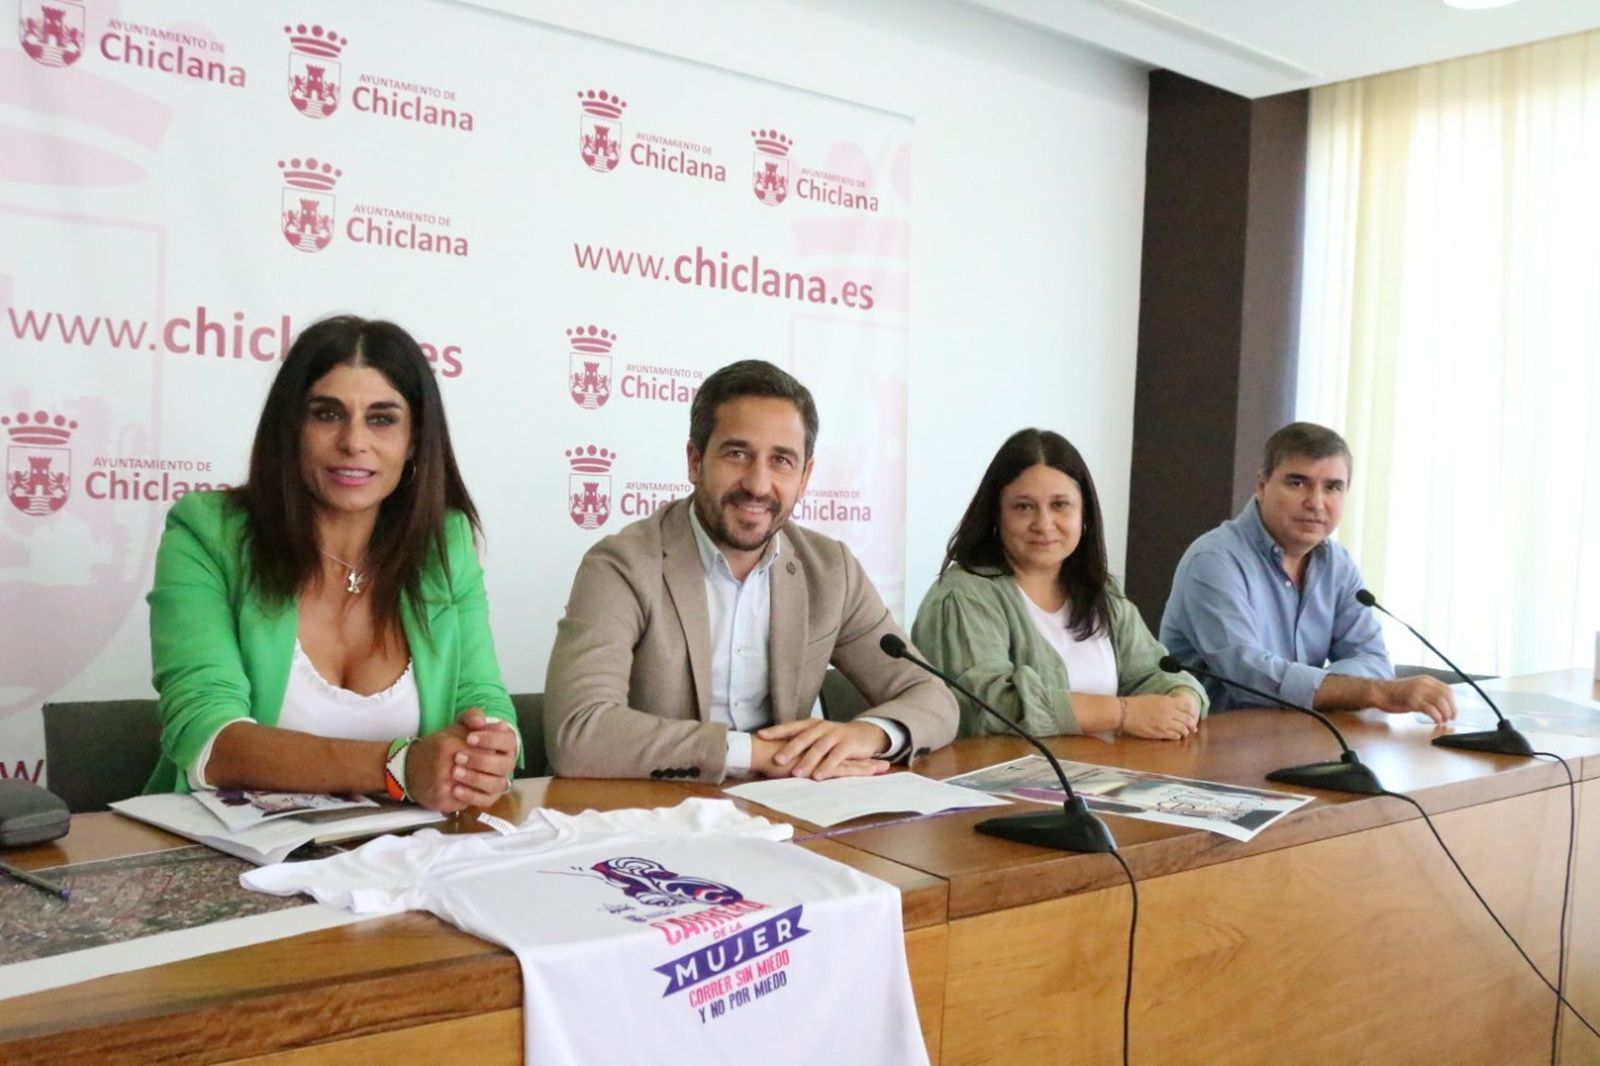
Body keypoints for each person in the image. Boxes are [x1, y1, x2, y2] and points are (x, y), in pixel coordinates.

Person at [145, 316, 520, 811]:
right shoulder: (207, 532)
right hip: (225, 847)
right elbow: (206, 738)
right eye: (327, 414)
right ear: (291, 429)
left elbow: (484, 700)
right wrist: (399, 767)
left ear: (413, 440)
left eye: (382, 419)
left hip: (407, 845)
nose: (353, 442)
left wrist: (490, 749)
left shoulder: (444, 546)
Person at [544, 359, 958, 782]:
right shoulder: (622, 566)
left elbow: (933, 697)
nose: (758, 484)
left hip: (788, 807)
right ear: (695, 461)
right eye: (737, 454)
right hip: (658, 807)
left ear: (805, 476)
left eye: (781, 461)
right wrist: (755, 753)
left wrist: (869, 734)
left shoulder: (831, 571)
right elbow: (578, 732)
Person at [911, 429, 1206, 740]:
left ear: (1084, 515)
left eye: (1060, 505)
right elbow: (988, 707)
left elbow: (1155, 672)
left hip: (1104, 767)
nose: (1043, 524)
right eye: (1024, 506)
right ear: (996, 514)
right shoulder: (963, 595)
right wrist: (1123, 713)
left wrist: (1182, 701)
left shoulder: (1100, 591)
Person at [1160, 421, 1456, 722]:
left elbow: (1374, 661)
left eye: (1332, 487)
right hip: (1214, 741)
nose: (1315, 502)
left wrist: (1332, 687)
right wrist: (1370, 691)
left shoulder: (1337, 564)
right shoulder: (1214, 561)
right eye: (1297, 483)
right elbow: (1249, 678)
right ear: (1261, 486)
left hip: (1302, 733)